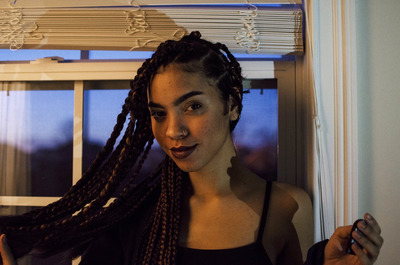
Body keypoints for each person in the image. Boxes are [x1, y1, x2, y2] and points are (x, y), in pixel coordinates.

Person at [0, 31, 383, 265]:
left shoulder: (288, 207)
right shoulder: (135, 218)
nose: (173, 131)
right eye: (158, 113)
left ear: (232, 104)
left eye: (192, 106)